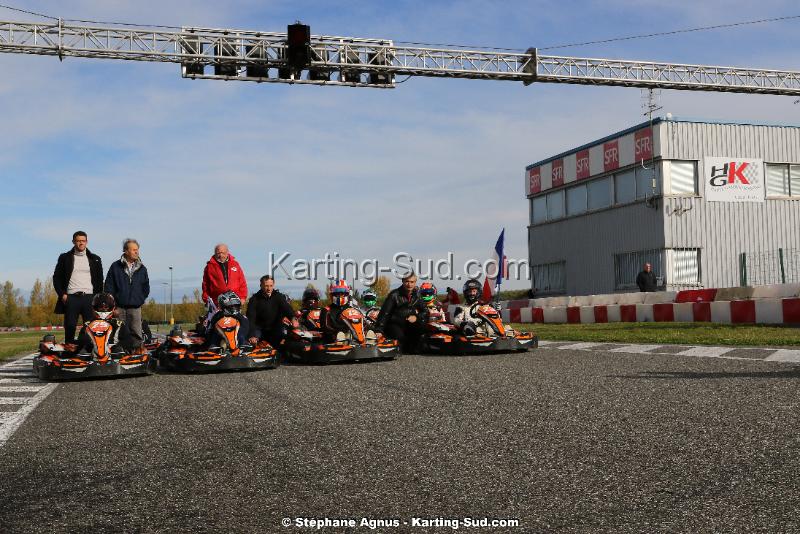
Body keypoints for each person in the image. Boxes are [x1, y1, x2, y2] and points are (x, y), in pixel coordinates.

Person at [52, 231, 104, 344]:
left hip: (90, 298)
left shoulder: (95, 259)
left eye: (83, 241)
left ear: (87, 242)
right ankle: (69, 352)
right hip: (71, 298)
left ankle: (89, 351)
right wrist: (62, 295)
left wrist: (97, 297)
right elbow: (56, 278)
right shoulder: (65, 257)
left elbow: (100, 281)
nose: (81, 243)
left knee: (91, 328)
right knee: (70, 326)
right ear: (73, 242)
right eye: (78, 241)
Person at [104, 238, 150, 348]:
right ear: (126, 251)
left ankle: (136, 357)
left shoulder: (142, 268)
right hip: (118, 308)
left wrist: (140, 299)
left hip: (135, 308)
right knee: (118, 333)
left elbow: (146, 287)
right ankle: (119, 356)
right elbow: (109, 288)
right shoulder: (115, 266)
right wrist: (113, 307)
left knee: (136, 335)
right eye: (133, 249)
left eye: (137, 249)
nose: (136, 252)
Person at [374, 272, 428, 352]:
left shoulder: (418, 295)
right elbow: (384, 313)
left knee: (422, 330)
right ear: (402, 281)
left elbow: (425, 311)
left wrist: (416, 317)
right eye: (407, 281)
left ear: (415, 282)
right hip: (395, 324)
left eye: (412, 282)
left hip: (410, 324)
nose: (409, 284)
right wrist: (379, 330)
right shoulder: (394, 295)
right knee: (400, 341)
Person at [246, 275, 296, 348]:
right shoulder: (254, 299)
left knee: (285, 342)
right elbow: (251, 318)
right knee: (252, 343)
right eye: (266, 286)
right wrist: (252, 335)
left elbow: (287, 309)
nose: (269, 289)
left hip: (275, 328)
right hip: (259, 329)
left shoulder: (278, 297)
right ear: (261, 285)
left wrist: (293, 318)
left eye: (271, 286)